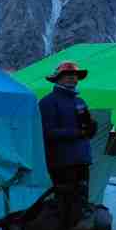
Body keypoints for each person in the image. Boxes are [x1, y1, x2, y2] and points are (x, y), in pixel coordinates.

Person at [38, 60, 97, 201]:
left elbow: (87, 131)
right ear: (57, 78)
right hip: (61, 162)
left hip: (82, 159)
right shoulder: (48, 102)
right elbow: (47, 132)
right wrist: (78, 133)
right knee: (65, 202)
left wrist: (91, 128)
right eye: (67, 74)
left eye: (75, 74)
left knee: (82, 200)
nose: (72, 77)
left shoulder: (80, 101)